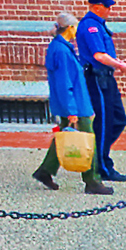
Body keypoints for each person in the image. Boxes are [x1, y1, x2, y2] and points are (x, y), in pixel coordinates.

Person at [77, 0, 126, 189]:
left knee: (117, 119)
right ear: (97, 7)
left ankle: (102, 160)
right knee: (105, 123)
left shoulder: (99, 25)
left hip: (106, 78)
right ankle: (101, 167)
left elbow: (105, 55)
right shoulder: (90, 26)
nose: (110, 9)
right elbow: (99, 55)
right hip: (97, 79)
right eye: (107, 6)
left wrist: (117, 63)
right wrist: (121, 66)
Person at [35, 13, 93, 190]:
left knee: (63, 137)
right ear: (70, 28)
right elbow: (64, 82)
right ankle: (92, 180)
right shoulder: (61, 50)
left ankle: (46, 170)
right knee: (88, 140)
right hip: (75, 105)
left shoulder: (61, 48)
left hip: (73, 103)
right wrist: (72, 111)